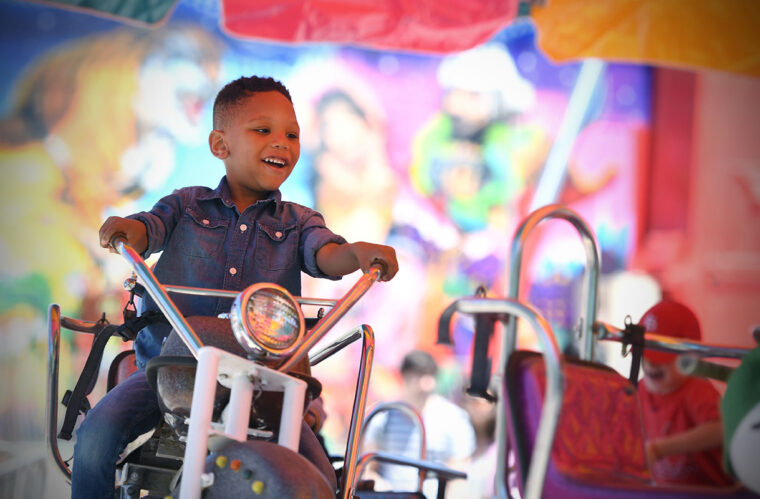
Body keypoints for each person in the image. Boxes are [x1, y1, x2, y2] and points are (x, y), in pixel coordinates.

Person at [72, 75, 399, 499]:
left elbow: (326, 254)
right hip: (172, 371)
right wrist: (128, 230)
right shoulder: (186, 204)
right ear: (220, 145)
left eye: (292, 134)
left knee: (322, 478)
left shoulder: (299, 221)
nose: (281, 142)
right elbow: (148, 229)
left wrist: (356, 253)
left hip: (265, 379)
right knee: (95, 436)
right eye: (264, 130)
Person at [637, 299, 734, 487]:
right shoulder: (640, 391)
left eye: (661, 357)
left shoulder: (696, 389)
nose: (650, 363)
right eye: (645, 355)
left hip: (710, 492)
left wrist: (659, 449)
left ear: (690, 360)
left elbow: (722, 430)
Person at [362, 349, 475, 496]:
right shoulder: (383, 416)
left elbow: (459, 474)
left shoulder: (454, 419)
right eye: (419, 376)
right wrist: (384, 490)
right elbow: (368, 469)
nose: (426, 385)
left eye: (430, 376)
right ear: (404, 377)